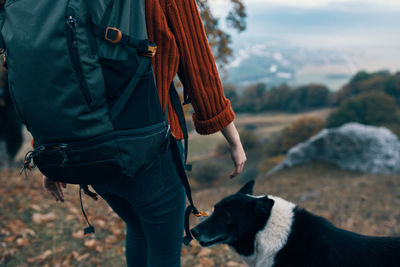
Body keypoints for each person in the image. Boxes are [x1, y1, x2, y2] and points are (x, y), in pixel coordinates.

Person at [43, 0, 246, 266]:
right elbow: (196, 62)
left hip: (87, 145)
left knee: (139, 228)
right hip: (149, 146)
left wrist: (49, 148)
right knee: (164, 251)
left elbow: (47, 68)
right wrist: (232, 136)